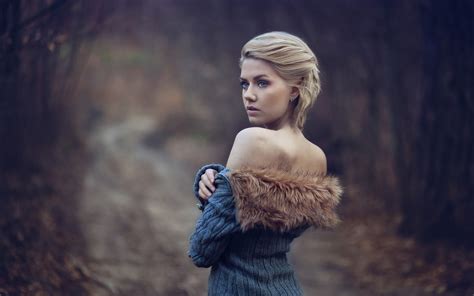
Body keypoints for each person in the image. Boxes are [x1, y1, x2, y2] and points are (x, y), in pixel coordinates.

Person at [188, 31, 343, 295]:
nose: (248, 95)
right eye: (244, 84)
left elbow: (202, 250)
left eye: (261, 83)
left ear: (295, 89)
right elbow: (264, 240)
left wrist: (212, 196)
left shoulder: (252, 140)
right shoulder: (317, 157)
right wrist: (218, 178)